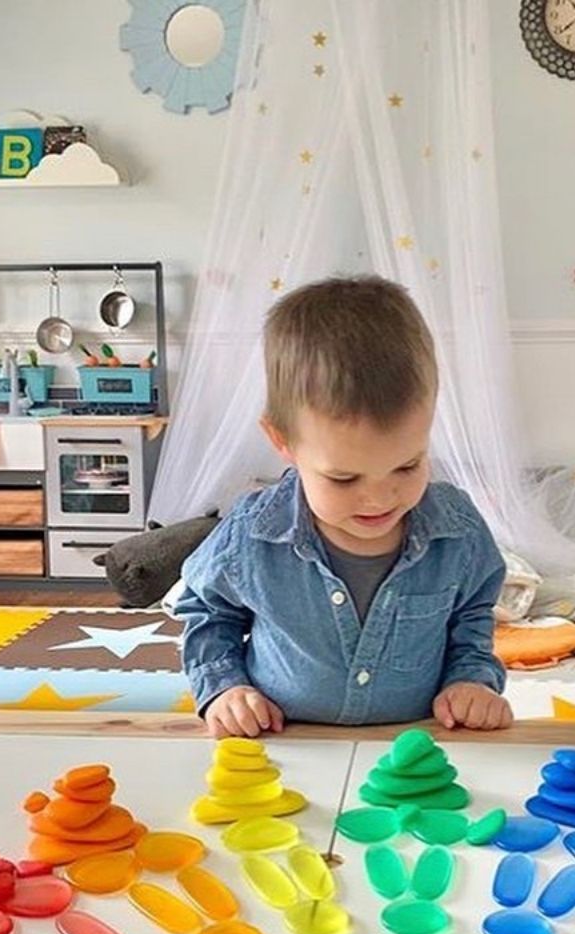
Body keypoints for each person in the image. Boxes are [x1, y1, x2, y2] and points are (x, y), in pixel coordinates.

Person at [174, 275, 513, 737]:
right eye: (344, 478)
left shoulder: (457, 531)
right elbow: (208, 611)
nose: (379, 498)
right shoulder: (251, 534)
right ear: (282, 441)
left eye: (407, 466)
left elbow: (473, 615)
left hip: (417, 751)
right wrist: (224, 689)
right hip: (283, 747)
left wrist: (472, 681)